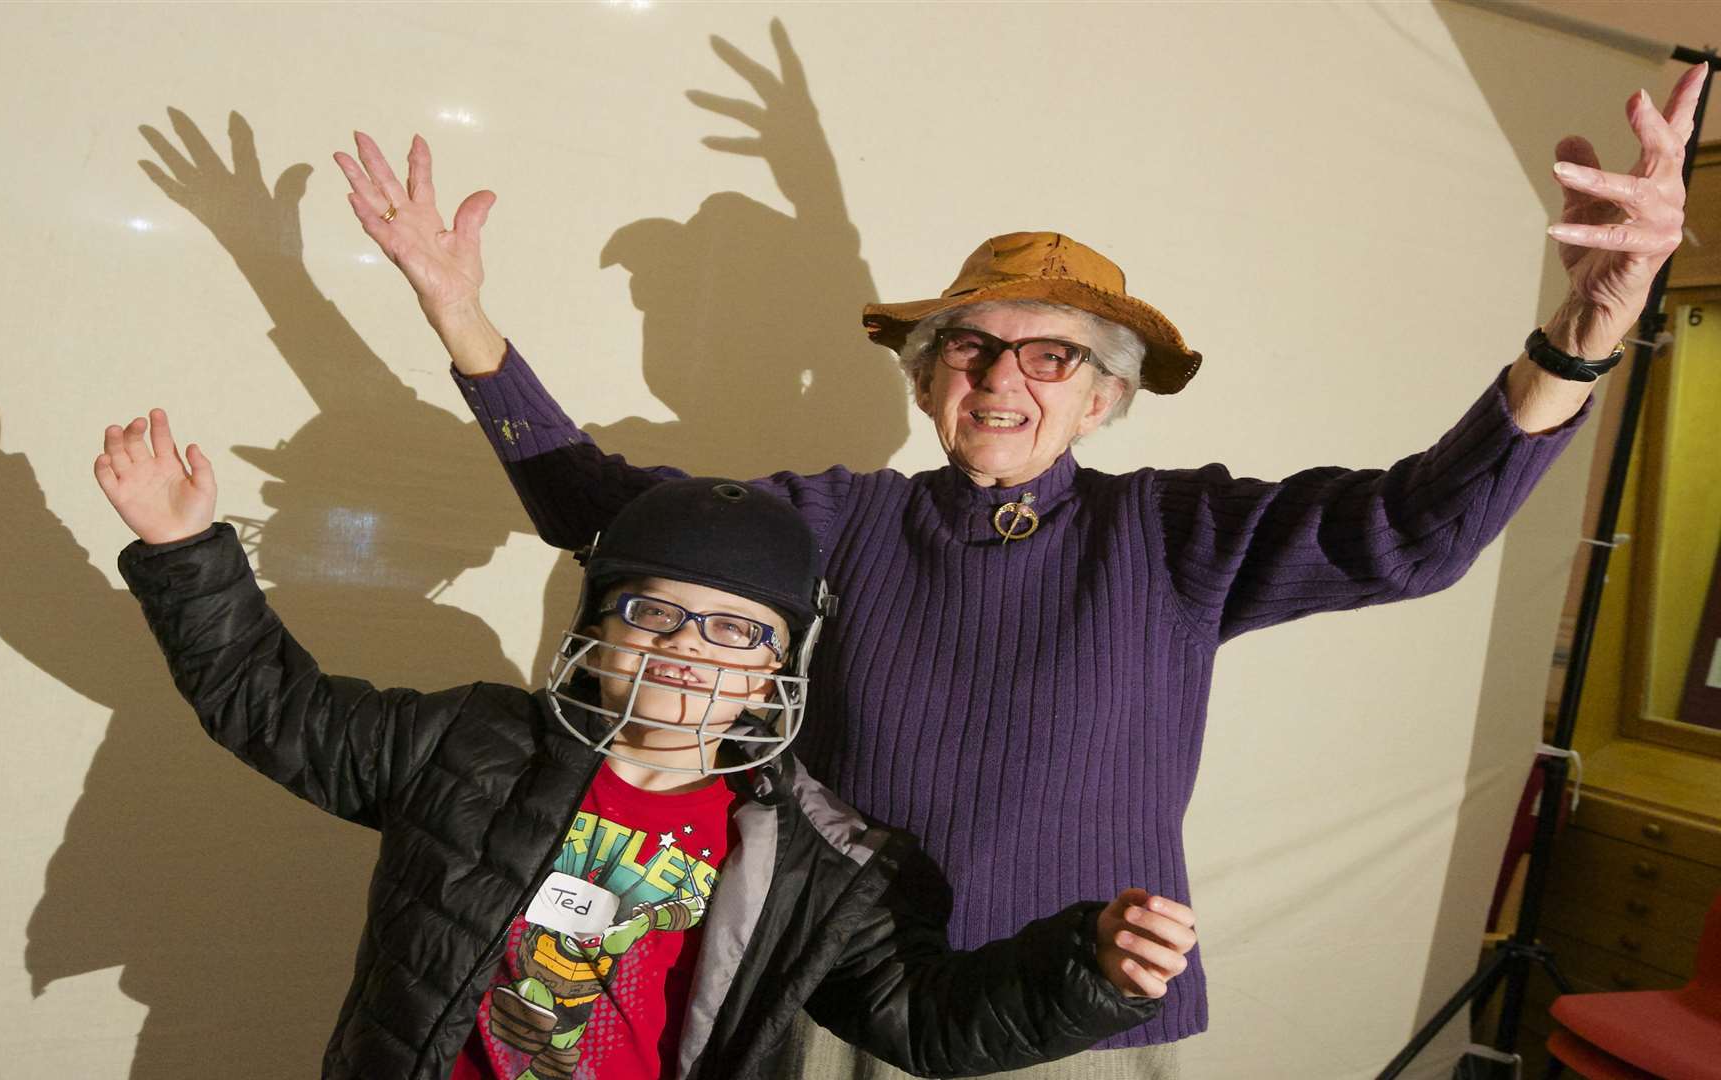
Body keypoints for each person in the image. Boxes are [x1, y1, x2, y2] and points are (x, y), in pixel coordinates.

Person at [328, 60, 1707, 1079]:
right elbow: (607, 516)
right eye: (973, 347)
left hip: (1085, 1014)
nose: (1004, 376)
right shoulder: (839, 520)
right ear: (933, 379)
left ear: (1104, 400)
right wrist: (461, 316)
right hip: (850, 991)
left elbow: (1416, 530)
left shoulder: (1176, 533)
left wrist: (1586, 333)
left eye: (1053, 355)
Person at [92, 410, 1197, 1080]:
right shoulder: (467, 745)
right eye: (654, 615)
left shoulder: (824, 860)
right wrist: (189, 548)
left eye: (734, 631)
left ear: (777, 671)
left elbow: (923, 1021)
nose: (686, 651)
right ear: (598, 634)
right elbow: (267, 706)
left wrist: (1086, 973)